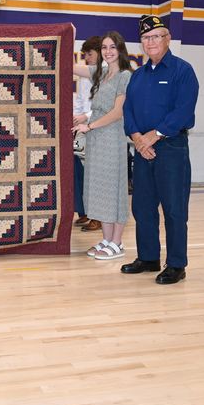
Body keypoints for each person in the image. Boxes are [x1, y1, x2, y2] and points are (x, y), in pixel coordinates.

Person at [121, 15, 199, 284]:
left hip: (171, 148)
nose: (150, 42)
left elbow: (183, 110)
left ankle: (177, 264)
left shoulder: (182, 71)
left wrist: (152, 137)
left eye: (156, 36)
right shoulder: (138, 76)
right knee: (142, 208)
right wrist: (137, 138)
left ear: (167, 39)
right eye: (145, 38)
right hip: (143, 150)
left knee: (174, 209)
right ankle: (149, 257)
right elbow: (128, 110)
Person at [72, 31, 134, 260]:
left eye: (112, 48)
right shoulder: (103, 72)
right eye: (104, 48)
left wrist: (90, 125)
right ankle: (107, 240)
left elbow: (118, 112)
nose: (108, 52)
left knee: (113, 190)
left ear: (120, 50)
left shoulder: (125, 76)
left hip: (111, 137)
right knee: (99, 190)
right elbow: (72, 68)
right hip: (97, 137)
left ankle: (117, 243)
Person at [72, 36, 103, 232]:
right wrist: (74, 119)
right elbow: (81, 101)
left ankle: (99, 216)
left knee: (96, 175)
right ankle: (84, 211)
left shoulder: (110, 74)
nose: (87, 58)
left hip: (101, 128)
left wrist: (85, 116)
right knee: (81, 172)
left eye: (90, 54)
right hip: (83, 128)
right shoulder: (85, 76)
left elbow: (107, 107)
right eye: (85, 55)